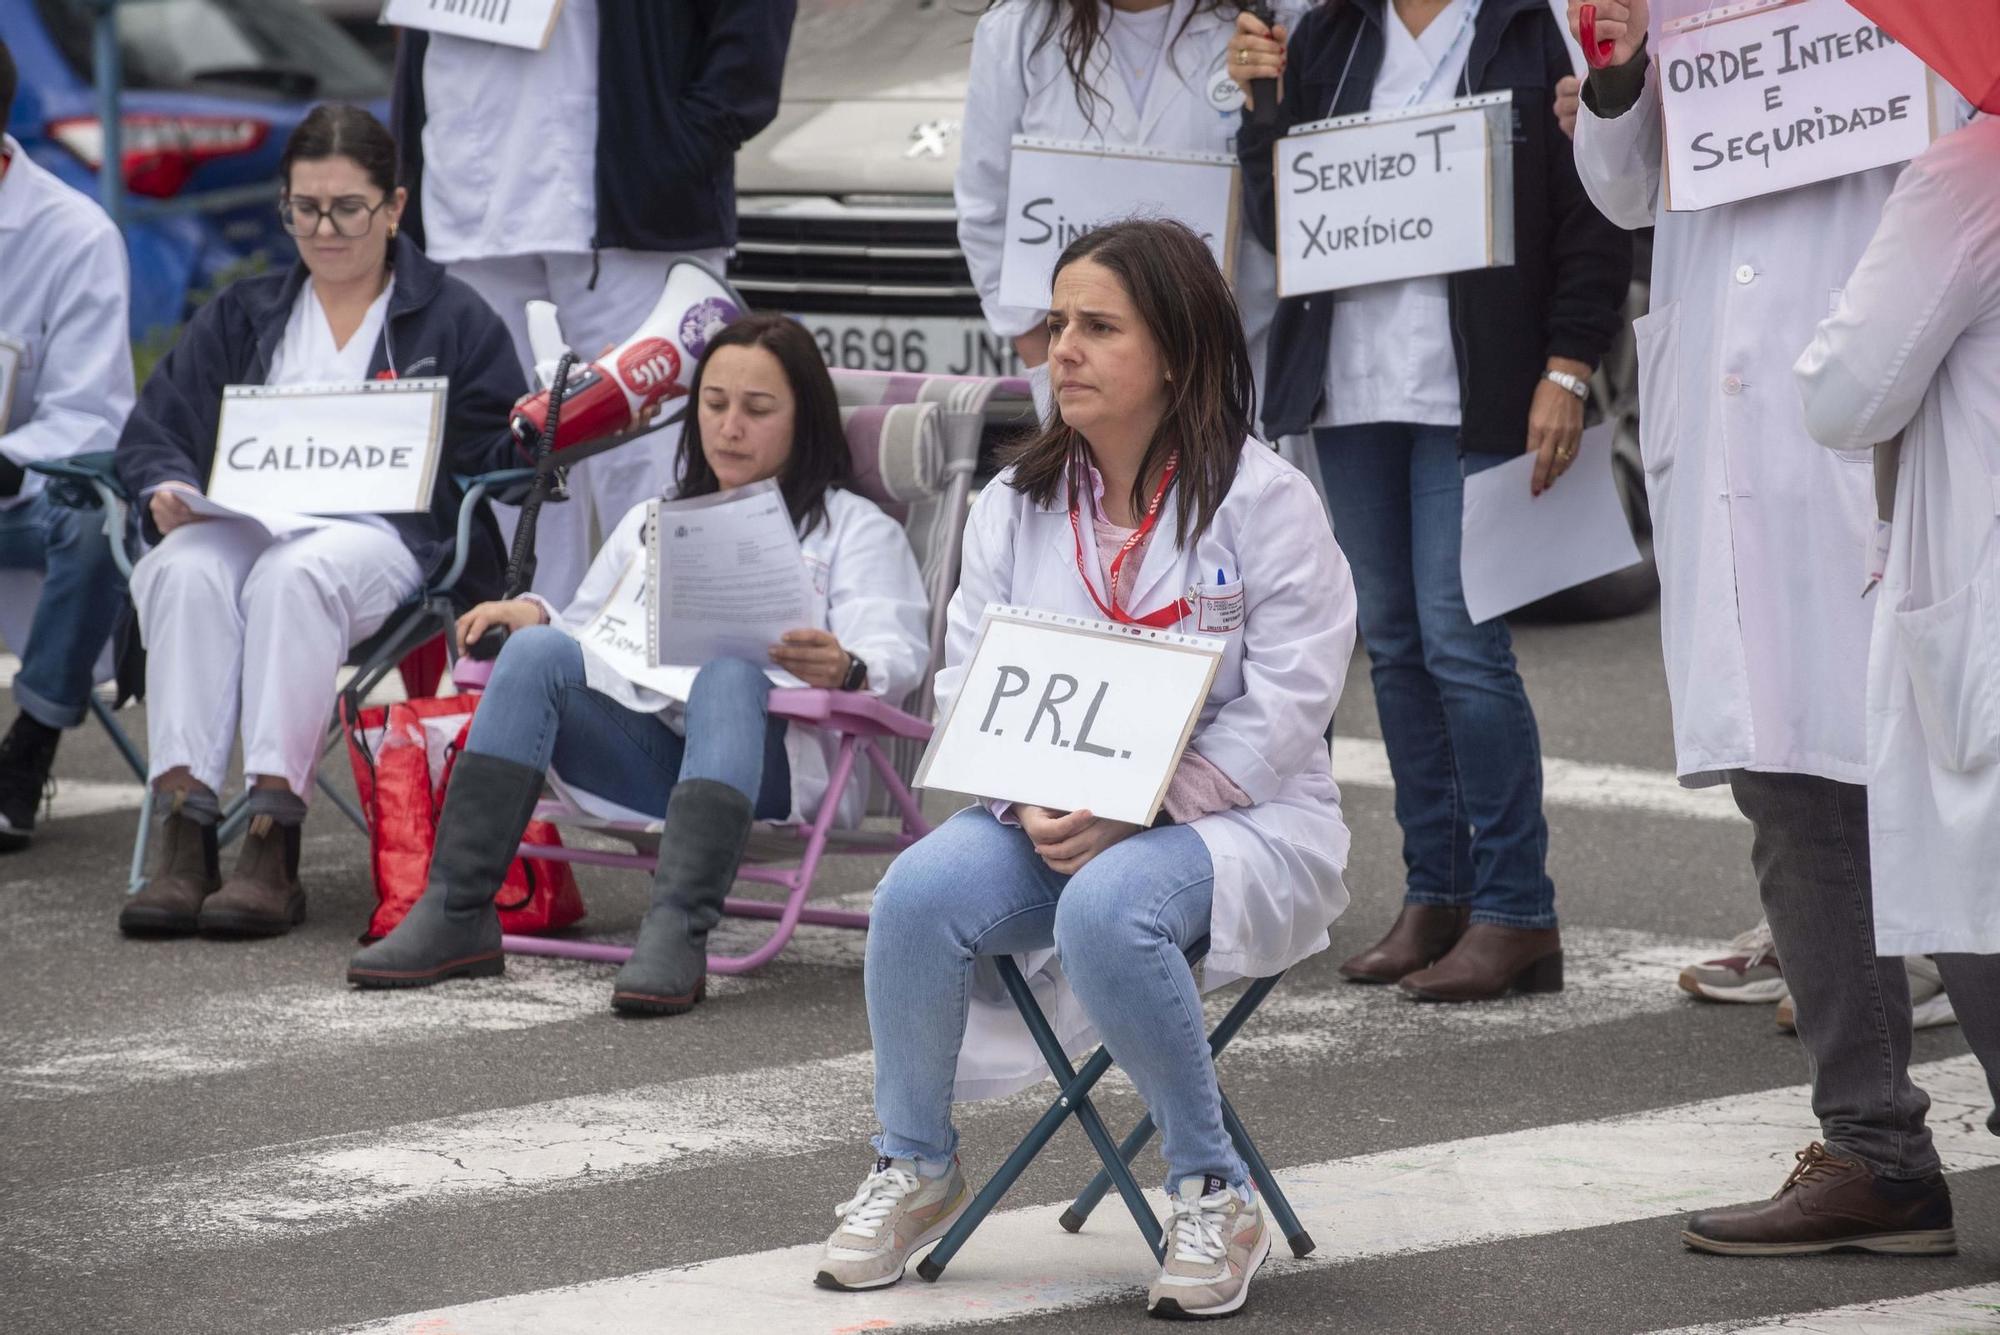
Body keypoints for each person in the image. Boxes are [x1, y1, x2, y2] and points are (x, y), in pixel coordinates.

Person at [813, 220, 1356, 1320]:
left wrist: (1139, 806)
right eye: (1057, 323)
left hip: (1237, 820)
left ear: (1175, 352)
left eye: (1097, 327)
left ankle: (1212, 1187)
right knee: (915, 892)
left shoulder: (1263, 500)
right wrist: (1035, 797)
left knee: (1109, 908)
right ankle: (913, 1161)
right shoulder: (1018, 501)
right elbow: (971, 683)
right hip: (1049, 806)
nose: (1060, 348)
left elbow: (1296, 701)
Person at [1565, 0, 1965, 1254]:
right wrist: (1618, 64)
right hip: (1732, 432)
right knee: (1787, 795)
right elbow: (1623, 191)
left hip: (1889, 408)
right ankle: (1872, 1150)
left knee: (1947, 792)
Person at [349, 313, 929, 1015]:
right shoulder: (654, 521)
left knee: (729, 673)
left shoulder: (854, 530)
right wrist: (536, 615)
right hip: (656, 757)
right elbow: (595, 636)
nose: (730, 426)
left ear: (804, 422)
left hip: (772, 769)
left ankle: (678, 926)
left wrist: (846, 667)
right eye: (714, 404)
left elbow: (898, 657)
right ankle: (457, 908)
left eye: (757, 408)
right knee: (536, 650)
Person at [1230, 0, 1631, 1000]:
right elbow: (1286, 223)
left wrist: (1569, 363)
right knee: (1397, 645)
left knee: (1463, 645)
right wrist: (1260, 108)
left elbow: (1590, 209)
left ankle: (1515, 911)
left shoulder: (1529, 25)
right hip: (1352, 389)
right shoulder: (1328, 33)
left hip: (1480, 391)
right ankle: (1434, 895)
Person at [113, 104, 527, 939]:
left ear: (395, 209)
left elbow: (498, 452)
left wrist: (535, 424)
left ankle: (271, 832)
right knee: (184, 566)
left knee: (293, 575)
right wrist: (165, 485)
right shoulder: (248, 312)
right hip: (248, 520)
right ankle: (184, 823)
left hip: (384, 537)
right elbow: (156, 429)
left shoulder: (452, 317)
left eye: (347, 207)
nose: (325, 228)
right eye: (304, 208)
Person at [391, 0, 796, 607]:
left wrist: (691, 137)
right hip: (464, 181)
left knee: (655, 459)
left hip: (626, 191)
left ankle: (674, 676)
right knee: (505, 461)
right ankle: (520, 669)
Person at [955, 0, 1309, 419]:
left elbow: (1296, 194)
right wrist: (1039, 350)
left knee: (1229, 482)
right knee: (1098, 485)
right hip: (1085, 373)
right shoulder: (1016, 31)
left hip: (1236, 360)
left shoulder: (1272, 19)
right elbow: (986, 209)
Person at [0, 36, 136, 851]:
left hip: (28, 490)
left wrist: (8, 460)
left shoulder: (74, 236)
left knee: (95, 513)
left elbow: (93, 418)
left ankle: (33, 742)